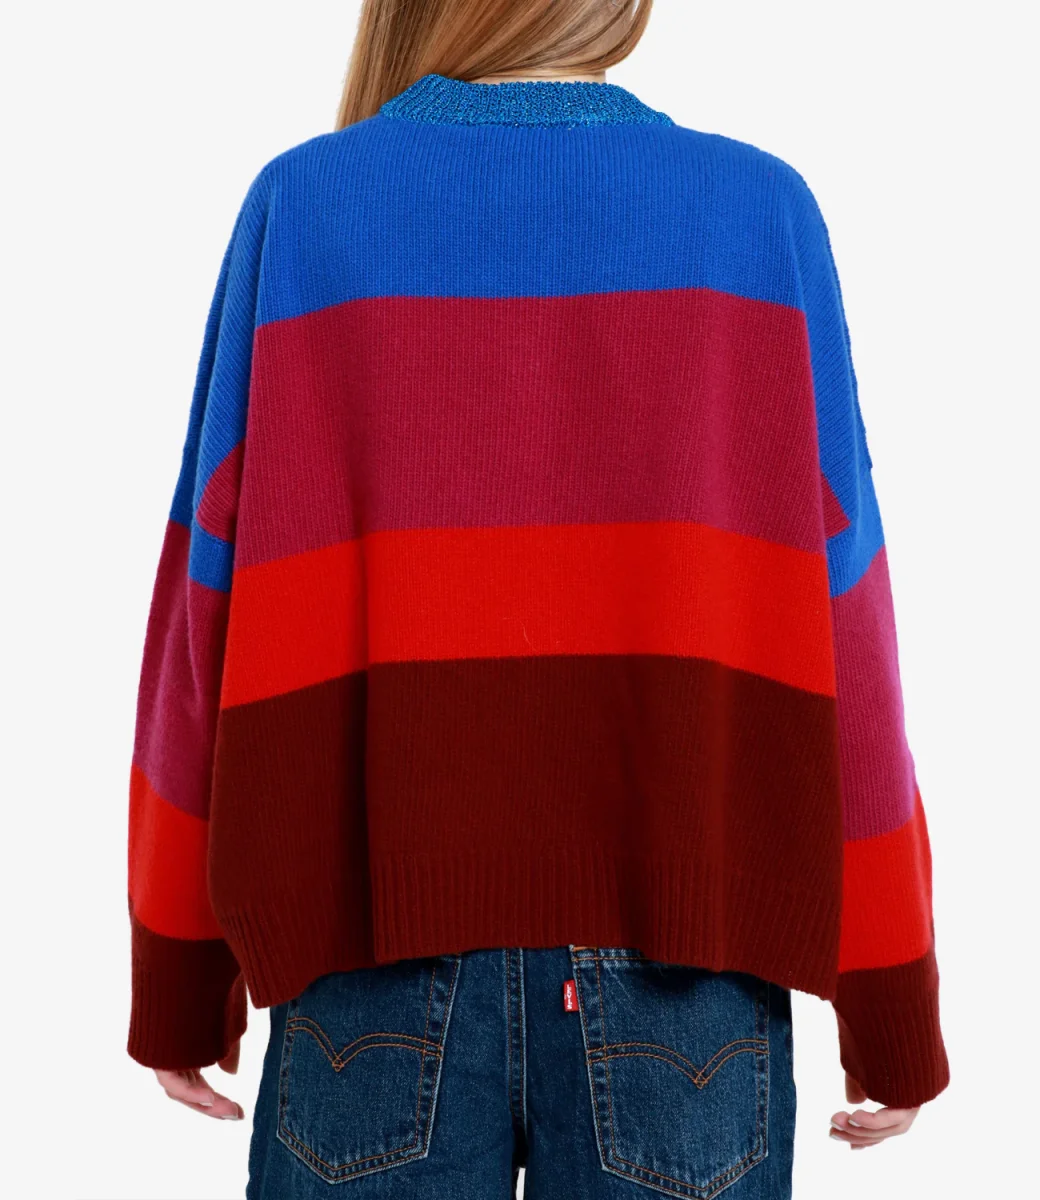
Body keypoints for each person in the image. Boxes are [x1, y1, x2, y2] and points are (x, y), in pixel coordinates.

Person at [125, 1, 949, 1195]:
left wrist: (177, 974)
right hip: (682, 981)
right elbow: (845, 622)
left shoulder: (307, 204)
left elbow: (203, 610)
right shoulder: (755, 212)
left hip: (367, 966)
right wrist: (891, 998)